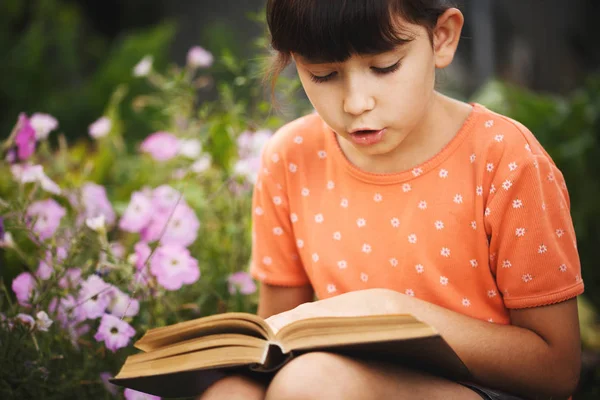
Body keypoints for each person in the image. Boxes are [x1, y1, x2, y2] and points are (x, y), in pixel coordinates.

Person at [200, 0, 584, 399]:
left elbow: (555, 371)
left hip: (486, 389)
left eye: (384, 67)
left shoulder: (505, 158)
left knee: (311, 385)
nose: (356, 103)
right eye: (324, 75)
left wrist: (396, 313)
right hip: (344, 377)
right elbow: (278, 333)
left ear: (442, 38)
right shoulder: (292, 156)